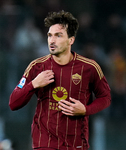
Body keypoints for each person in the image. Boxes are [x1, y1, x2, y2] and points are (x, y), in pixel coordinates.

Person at [9, 10, 111, 150]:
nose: (52, 40)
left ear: (71, 40)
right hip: (44, 143)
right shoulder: (36, 67)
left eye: (58, 35)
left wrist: (86, 109)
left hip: (76, 144)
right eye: (50, 35)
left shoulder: (89, 67)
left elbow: (105, 97)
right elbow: (13, 103)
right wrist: (34, 84)